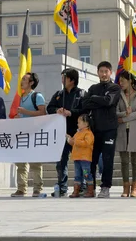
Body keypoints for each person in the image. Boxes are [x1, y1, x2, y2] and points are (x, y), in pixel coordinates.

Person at [82, 61, 121, 198]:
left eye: (106, 71)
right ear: (97, 72)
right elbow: (85, 104)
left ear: (110, 72)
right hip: (94, 129)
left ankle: (105, 187)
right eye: (101, 71)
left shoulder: (115, 87)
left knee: (107, 159)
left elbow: (109, 101)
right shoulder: (93, 87)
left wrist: (94, 100)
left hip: (109, 129)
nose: (104, 74)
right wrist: (100, 100)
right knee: (91, 159)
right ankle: (90, 187)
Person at [46, 69, 86, 197]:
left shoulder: (81, 94)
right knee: (61, 161)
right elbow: (49, 108)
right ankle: (62, 187)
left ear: (72, 80)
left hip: (77, 132)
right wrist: (57, 110)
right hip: (62, 133)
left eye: (64, 77)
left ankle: (82, 186)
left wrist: (71, 112)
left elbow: (85, 110)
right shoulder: (59, 94)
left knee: (80, 161)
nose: (62, 80)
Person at [11, 72, 47, 198]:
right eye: (22, 79)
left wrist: (25, 112)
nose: (22, 81)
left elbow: (42, 113)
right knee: (20, 162)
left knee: (35, 162)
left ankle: (37, 188)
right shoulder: (19, 97)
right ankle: (21, 188)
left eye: (25, 79)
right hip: (21, 133)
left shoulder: (37, 96)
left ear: (31, 83)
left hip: (34, 133)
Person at [115, 72, 136, 198]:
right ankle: (125, 186)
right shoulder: (118, 95)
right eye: (120, 81)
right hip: (122, 130)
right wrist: (123, 114)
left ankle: (135, 187)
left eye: (123, 81)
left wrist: (125, 118)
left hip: (135, 130)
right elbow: (116, 112)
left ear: (130, 81)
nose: (121, 83)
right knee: (124, 160)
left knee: (135, 160)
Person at [66, 114, 94, 198]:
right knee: (77, 175)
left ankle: (90, 190)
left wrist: (75, 141)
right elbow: (73, 143)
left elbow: (87, 143)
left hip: (85, 159)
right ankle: (76, 191)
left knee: (86, 173)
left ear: (86, 123)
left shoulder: (88, 133)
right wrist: (69, 139)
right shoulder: (77, 133)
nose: (77, 124)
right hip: (77, 158)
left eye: (79, 122)